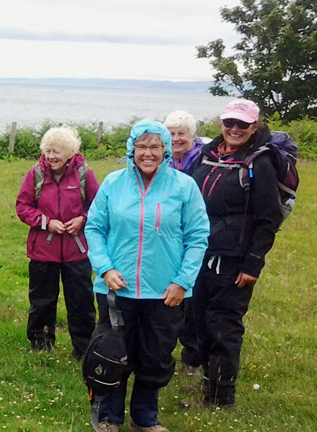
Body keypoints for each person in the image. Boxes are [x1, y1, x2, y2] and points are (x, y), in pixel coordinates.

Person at [85, 120, 209, 432]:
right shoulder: (113, 183)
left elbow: (197, 237)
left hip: (165, 292)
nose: (148, 153)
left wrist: (183, 281)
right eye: (142, 147)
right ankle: (108, 418)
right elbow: (95, 229)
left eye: (155, 147)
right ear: (132, 149)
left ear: (166, 150)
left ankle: (144, 418)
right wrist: (105, 267)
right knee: (114, 355)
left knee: (154, 357)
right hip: (116, 289)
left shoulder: (184, 186)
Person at [189, 99, 283, 408]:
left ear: (254, 126)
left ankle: (221, 398)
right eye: (230, 122)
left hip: (233, 260)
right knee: (198, 321)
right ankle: (207, 385)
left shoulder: (261, 162)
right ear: (221, 123)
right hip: (200, 253)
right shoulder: (207, 155)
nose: (234, 129)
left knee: (224, 325)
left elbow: (269, 218)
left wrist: (253, 264)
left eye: (242, 124)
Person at [15, 127, 99, 360]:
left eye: (57, 151)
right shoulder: (35, 174)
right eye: (48, 151)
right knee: (42, 300)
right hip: (43, 249)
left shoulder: (84, 174)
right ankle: (41, 343)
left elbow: (99, 205)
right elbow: (22, 207)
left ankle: (84, 348)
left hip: (77, 250)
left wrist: (82, 220)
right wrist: (45, 222)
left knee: (81, 301)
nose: (51, 156)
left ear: (70, 153)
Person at [163, 110, 205, 376]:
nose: (176, 139)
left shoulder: (203, 161)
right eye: (171, 134)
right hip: (167, 238)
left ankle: (193, 355)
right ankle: (164, 350)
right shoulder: (162, 161)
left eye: (181, 134)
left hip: (193, 234)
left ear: (193, 136)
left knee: (194, 297)